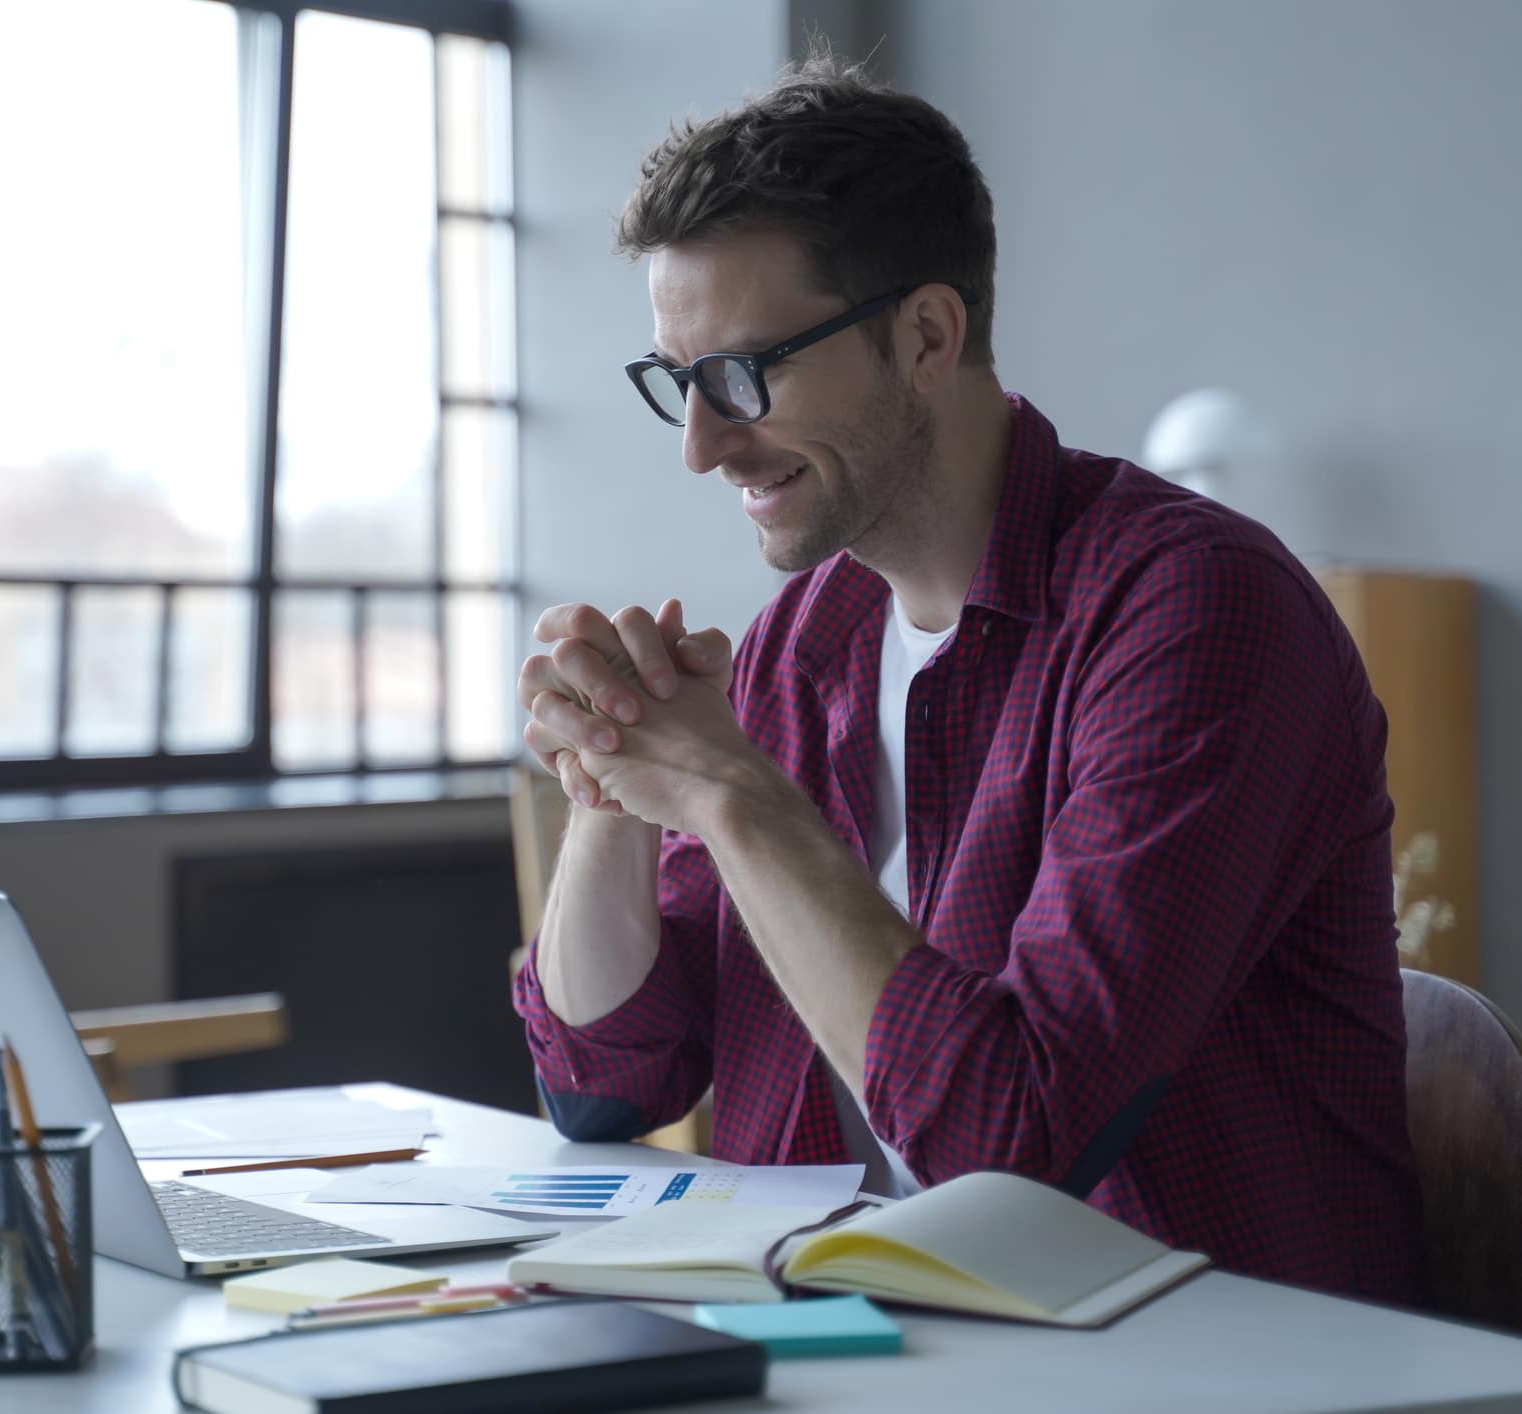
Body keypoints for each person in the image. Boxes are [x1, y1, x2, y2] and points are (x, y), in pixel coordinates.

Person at [510, 50, 1423, 1304]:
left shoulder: (1195, 610)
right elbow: (606, 1082)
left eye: (741, 376)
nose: (701, 446)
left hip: (1178, 1364)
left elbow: (1014, 1143)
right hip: (848, 1343)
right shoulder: (800, 644)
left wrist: (735, 796)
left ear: (927, 334)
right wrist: (614, 784)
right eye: (679, 382)